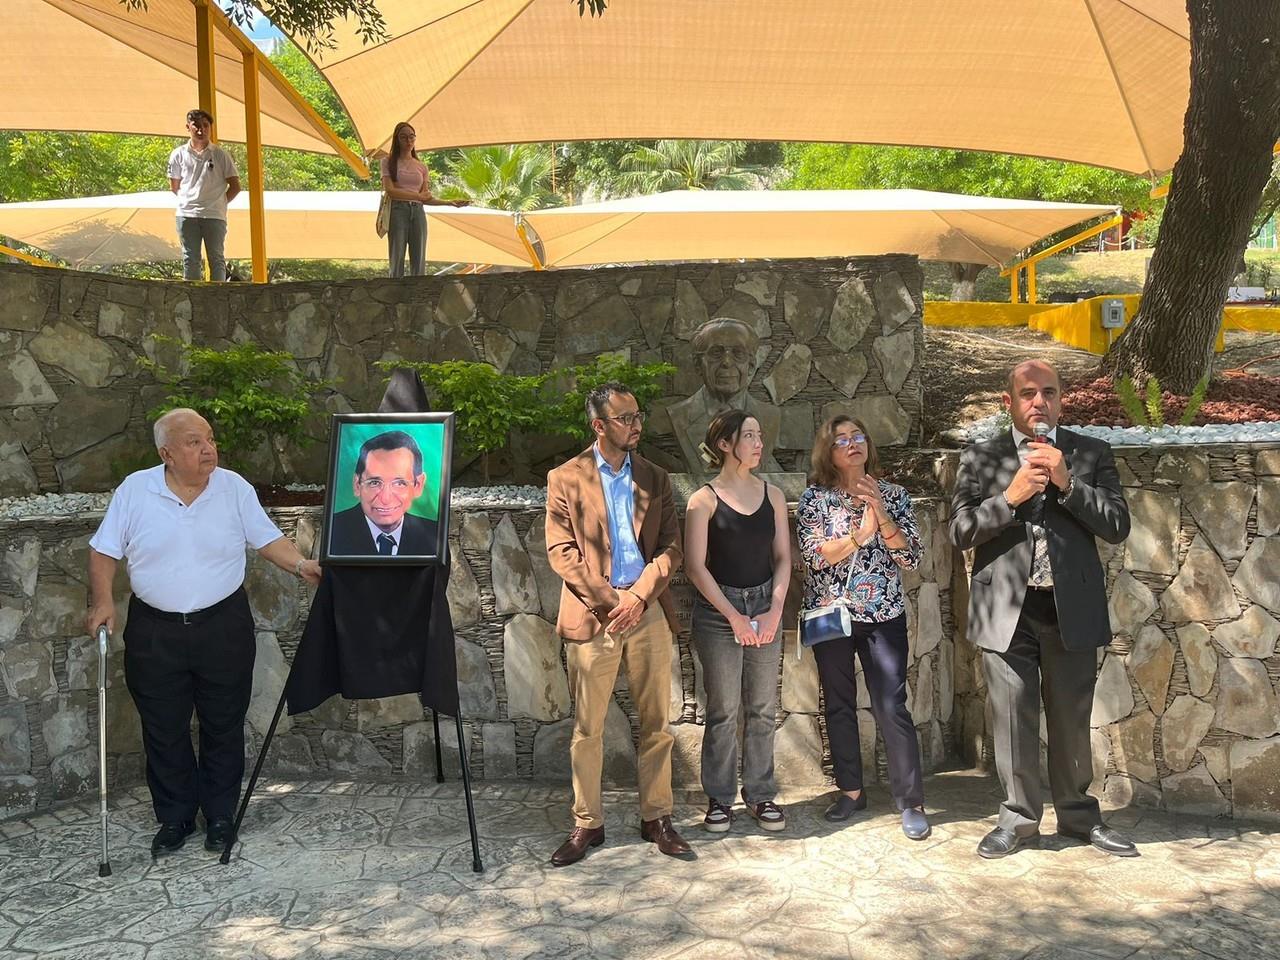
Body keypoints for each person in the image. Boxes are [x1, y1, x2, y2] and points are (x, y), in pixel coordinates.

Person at [85, 408, 321, 857]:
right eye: (194, 442)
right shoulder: (136, 490)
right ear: (166, 453)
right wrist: (101, 602)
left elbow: (266, 537)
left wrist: (300, 564)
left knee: (223, 722)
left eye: (209, 439)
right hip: (155, 629)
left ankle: (219, 815)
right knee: (163, 727)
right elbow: (103, 551)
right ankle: (175, 818)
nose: (208, 448)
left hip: (222, 625)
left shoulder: (234, 488)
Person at [950, 359, 1134, 859]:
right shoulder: (981, 456)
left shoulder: (1090, 453)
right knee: (1013, 720)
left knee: (1072, 723)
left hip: (1069, 607)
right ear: (1009, 402)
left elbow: (1117, 524)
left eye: (1048, 392)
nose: (1039, 402)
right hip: (1007, 609)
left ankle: (1077, 817)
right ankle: (1019, 822)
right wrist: (1008, 499)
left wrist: (1069, 484)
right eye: (1028, 393)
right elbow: (960, 531)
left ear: (1060, 399)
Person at [544, 382, 688, 866]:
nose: (636, 425)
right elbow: (561, 552)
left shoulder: (656, 477)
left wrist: (641, 595)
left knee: (657, 723)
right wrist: (612, 603)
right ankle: (588, 823)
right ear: (598, 425)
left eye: (637, 416)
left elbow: (672, 548)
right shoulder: (565, 477)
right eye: (625, 418)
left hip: (647, 614)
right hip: (596, 617)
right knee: (589, 728)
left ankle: (657, 818)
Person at [796, 416, 931, 840]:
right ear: (829, 453)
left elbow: (911, 560)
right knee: (838, 704)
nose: (852, 444)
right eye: (841, 440)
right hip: (832, 617)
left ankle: (911, 801)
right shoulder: (814, 500)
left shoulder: (893, 495)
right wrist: (859, 536)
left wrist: (882, 518)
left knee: (892, 706)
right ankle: (851, 792)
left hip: (883, 616)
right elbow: (814, 558)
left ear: (868, 446)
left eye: (858, 437)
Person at [683, 410, 791, 833]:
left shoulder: (774, 495)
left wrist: (774, 608)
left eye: (759, 435)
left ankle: (761, 795)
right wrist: (734, 618)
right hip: (718, 613)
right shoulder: (703, 499)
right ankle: (720, 798)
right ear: (725, 444)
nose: (758, 443)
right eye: (749, 436)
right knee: (724, 710)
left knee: (763, 708)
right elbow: (695, 567)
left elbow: (782, 558)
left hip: (766, 603)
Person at [666, 317, 783, 474]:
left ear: (751, 365)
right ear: (698, 365)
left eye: (738, 353)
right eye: (716, 353)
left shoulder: (770, 416)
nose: (727, 362)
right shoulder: (679, 416)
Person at [328, 430, 439, 557]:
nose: (385, 499)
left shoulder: (434, 535)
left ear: (418, 485)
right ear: (357, 484)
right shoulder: (333, 530)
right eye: (374, 482)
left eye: (399, 483)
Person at [380, 121, 470, 277]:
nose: (408, 142)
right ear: (397, 139)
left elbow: (426, 197)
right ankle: (395, 292)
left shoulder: (421, 167)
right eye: (404, 137)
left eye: (412, 137)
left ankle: (418, 294)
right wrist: (417, 196)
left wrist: (449, 202)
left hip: (418, 211)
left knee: (419, 255)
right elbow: (390, 191)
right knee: (397, 254)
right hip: (397, 210)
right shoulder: (387, 162)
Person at [167, 109, 240, 282]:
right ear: (188, 127)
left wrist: (219, 202)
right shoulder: (178, 154)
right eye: (196, 126)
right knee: (190, 259)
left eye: (205, 126)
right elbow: (174, 186)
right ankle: (192, 299)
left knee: (216, 258)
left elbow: (235, 186)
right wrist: (190, 199)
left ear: (211, 128)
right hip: (187, 214)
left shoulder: (220, 154)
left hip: (214, 215)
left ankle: (218, 298)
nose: (201, 130)